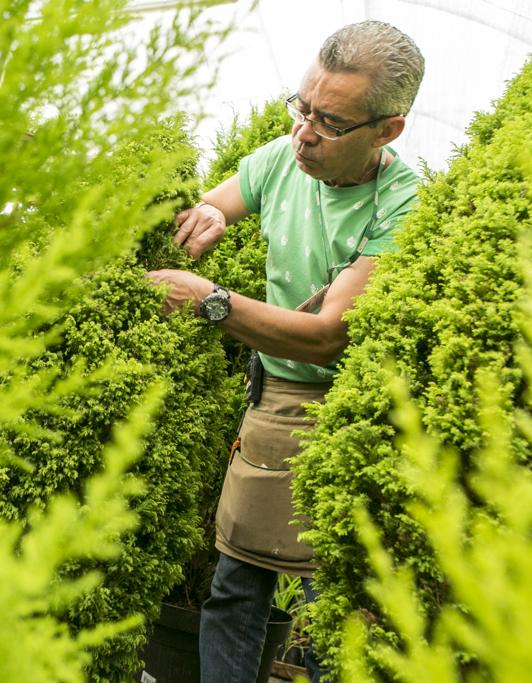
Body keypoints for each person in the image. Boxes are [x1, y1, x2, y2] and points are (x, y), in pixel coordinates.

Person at [147, 20, 425, 683]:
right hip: (269, 397)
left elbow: (331, 332)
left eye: (329, 122)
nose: (304, 133)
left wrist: (212, 300)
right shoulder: (282, 156)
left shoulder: (402, 202)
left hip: (346, 414)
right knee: (236, 586)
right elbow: (203, 214)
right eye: (302, 107)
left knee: (328, 611)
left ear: (385, 131)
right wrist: (205, 215)